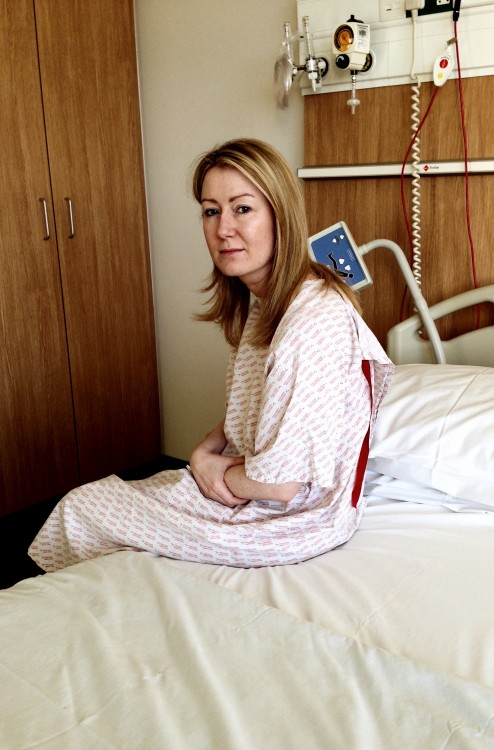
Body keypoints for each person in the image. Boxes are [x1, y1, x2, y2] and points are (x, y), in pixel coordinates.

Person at [29, 138, 393, 572]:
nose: (223, 229)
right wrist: (205, 451)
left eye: (242, 208)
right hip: (255, 492)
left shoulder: (313, 321)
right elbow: (255, 407)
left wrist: (208, 471)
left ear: (282, 216)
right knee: (97, 508)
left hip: (292, 520)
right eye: (211, 210)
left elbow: (279, 486)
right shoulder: (269, 301)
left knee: (83, 508)